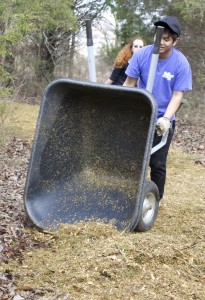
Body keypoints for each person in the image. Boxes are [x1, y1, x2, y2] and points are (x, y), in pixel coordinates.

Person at [123, 16, 192, 201]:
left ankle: (154, 200)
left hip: (162, 117)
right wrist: (120, 107)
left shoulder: (181, 63)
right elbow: (129, 83)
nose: (161, 42)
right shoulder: (142, 55)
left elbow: (178, 95)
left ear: (175, 41)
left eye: (167, 39)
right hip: (139, 114)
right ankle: (129, 194)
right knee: (132, 157)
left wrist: (166, 119)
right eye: (159, 36)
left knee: (157, 162)